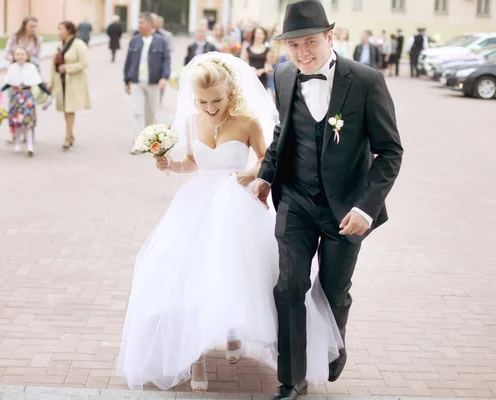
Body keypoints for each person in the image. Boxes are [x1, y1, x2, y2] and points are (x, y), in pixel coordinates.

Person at [117, 52, 342, 393]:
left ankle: (234, 333)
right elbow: (192, 162)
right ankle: (195, 359)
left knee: (240, 274)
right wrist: (171, 166)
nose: (210, 108)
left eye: (217, 101)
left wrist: (253, 171)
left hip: (239, 202)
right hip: (197, 203)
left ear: (230, 91)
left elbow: (268, 157)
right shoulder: (194, 120)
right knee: (189, 279)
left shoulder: (248, 121)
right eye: (203, 101)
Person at [252, 1, 403, 399]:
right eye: (294, 45)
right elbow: (284, 129)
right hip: (296, 200)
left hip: (347, 209)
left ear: (330, 37)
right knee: (288, 287)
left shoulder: (367, 81)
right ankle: (291, 378)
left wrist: (365, 207)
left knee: (334, 290)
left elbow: (390, 151)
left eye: (310, 42)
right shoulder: (283, 76)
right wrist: (266, 175)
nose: (302, 53)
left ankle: (334, 343)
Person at [124, 12, 170, 153]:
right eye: (139, 23)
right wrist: (126, 80)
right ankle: (138, 142)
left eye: (142, 22)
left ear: (150, 24)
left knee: (151, 112)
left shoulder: (161, 41)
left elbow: (166, 60)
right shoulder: (135, 40)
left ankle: (151, 141)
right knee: (137, 111)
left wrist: (164, 77)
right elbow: (129, 61)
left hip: (153, 82)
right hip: (137, 81)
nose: (139, 25)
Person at [0, 47, 52, 157]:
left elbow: (38, 82)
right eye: (17, 54)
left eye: (22, 54)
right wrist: (1, 90)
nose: (20, 56)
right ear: (14, 57)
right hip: (16, 97)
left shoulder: (31, 68)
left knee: (28, 123)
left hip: (27, 98)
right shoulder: (12, 68)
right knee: (17, 123)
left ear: (27, 56)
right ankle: (17, 143)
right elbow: (9, 82)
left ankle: (29, 145)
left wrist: (48, 91)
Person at [49, 21, 91, 150]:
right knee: (65, 110)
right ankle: (70, 134)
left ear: (70, 30)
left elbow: (84, 63)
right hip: (61, 82)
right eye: (58, 29)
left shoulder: (79, 45)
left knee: (69, 110)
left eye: (61, 29)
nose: (59, 32)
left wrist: (68, 68)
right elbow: (54, 66)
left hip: (73, 83)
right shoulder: (59, 46)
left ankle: (68, 137)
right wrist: (51, 83)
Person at [4, 16, 42, 145]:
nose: (33, 29)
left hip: (29, 76)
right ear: (25, 25)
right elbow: (7, 53)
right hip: (15, 74)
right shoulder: (15, 37)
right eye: (31, 26)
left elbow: (37, 57)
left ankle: (28, 131)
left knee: (29, 104)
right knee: (14, 104)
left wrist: (28, 62)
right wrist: (16, 59)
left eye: (35, 26)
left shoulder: (37, 40)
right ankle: (12, 132)